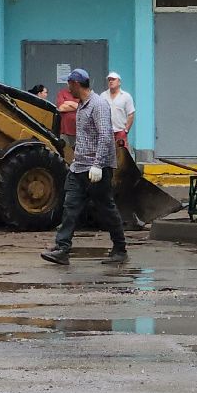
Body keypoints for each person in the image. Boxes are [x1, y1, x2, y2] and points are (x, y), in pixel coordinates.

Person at [42, 68, 126, 266]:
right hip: (79, 167)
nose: (67, 88)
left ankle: (120, 248)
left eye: (69, 84)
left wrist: (97, 165)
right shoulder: (81, 106)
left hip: (96, 170)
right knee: (70, 207)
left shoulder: (98, 105)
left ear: (76, 84)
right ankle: (62, 248)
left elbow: (106, 137)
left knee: (106, 209)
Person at [105, 73, 136, 148]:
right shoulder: (103, 96)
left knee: (122, 156)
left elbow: (131, 114)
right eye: (109, 80)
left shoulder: (126, 96)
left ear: (119, 82)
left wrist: (126, 130)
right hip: (106, 132)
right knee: (107, 155)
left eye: (113, 79)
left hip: (120, 132)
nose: (111, 81)